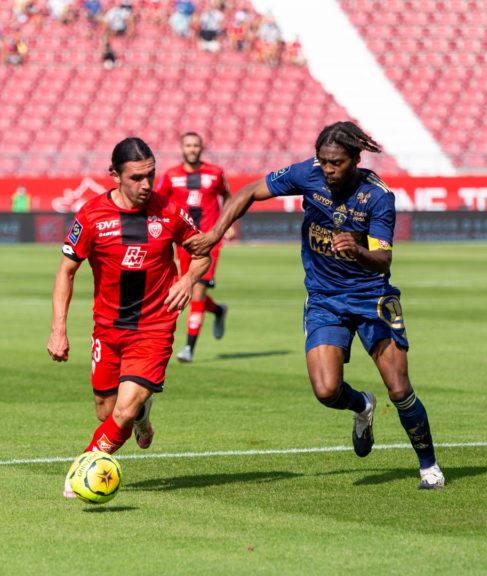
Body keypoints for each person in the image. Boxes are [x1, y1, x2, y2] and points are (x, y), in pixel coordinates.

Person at [186, 121, 445, 490]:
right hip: (324, 299)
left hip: (371, 298)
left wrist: (357, 250)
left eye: (336, 162)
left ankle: (429, 467)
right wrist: (214, 235)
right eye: (323, 161)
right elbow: (249, 191)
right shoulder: (307, 174)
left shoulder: (377, 197)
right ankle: (363, 406)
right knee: (326, 390)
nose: (327, 169)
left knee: (400, 389)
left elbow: (384, 260)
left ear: (356, 160)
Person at [47, 137, 210, 498]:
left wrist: (187, 279)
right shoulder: (92, 215)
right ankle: (142, 415)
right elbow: (66, 271)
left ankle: (83, 471)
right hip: (108, 328)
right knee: (106, 411)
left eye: (150, 175)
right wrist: (58, 330)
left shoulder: (169, 210)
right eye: (136, 177)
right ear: (115, 175)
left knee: (122, 410)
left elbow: (202, 254)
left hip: (154, 327)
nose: (146, 184)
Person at [155, 132, 231, 363]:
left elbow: (228, 197)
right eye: (188, 145)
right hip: (183, 241)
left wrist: (227, 224)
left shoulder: (215, 173)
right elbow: (158, 202)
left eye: (196, 145)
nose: (192, 149)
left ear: (201, 147)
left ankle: (188, 347)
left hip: (209, 240)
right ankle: (218, 310)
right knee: (188, 290)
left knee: (197, 290)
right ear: (181, 148)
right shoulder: (171, 175)